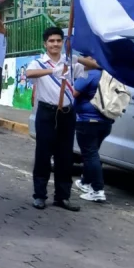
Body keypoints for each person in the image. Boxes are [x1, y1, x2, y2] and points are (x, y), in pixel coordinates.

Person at [26, 26, 98, 211]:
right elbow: (29, 74)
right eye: (51, 41)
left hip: (67, 113)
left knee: (64, 156)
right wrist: (52, 71)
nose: (55, 44)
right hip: (47, 113)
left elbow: (95, 64)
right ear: (45, 44)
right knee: (43, 155)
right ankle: (40, 195)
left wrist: (73, 57)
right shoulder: (39, 63)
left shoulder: (71, 63)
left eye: (59, 40)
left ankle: (62, 196)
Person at [73, 61, 113, 203]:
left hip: (87, 121)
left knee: (90, 154)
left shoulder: (88, 75)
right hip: (106, 122)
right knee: (93, 153)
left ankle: (97, 190)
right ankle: (85, 182)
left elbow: (73, 93)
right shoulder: (110, 76)